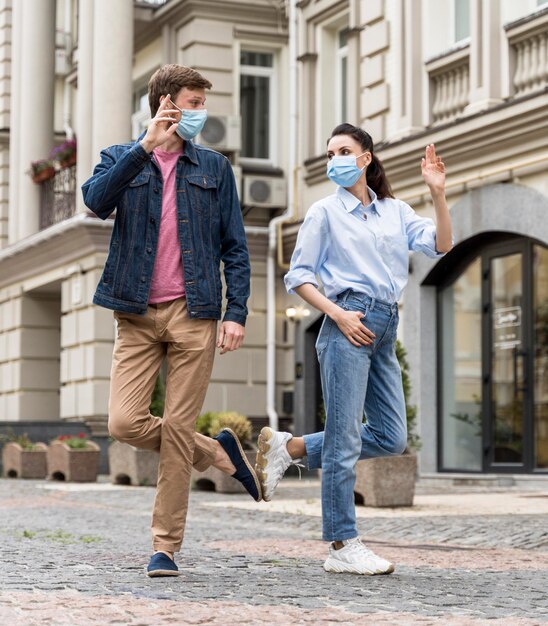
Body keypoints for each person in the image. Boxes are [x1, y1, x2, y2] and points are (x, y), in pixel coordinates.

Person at [82, 65, 261, 578]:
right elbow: (95, 202)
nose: (201, 111)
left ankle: (165, 546)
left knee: (177, 430)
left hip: (195, 310)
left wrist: (236, 312)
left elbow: (235, 247)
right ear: (165, 104)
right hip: (136, 311)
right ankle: (220, 452)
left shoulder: (214, 167)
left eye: (205, 102)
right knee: (123, 422)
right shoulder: (121, 157)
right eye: (193, 101)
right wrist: (145, 146)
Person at [255, 123, 452, 576]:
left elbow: (441, 245)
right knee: (344, 443)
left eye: (344, 151)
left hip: (385, 325)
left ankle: (292, 447)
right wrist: (338, 315)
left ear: (365, 158)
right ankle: (342, 545)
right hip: (347, 321)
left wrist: (437, 194)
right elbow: (298, 276)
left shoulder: (395, 211)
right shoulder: (324, 213)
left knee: (390, 436)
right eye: (329, 154)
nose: (335, 160)